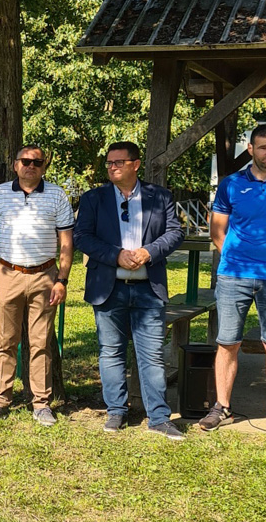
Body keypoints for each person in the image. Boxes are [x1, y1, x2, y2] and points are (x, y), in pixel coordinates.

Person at [200, 125, 266, 433]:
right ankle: (222, 407)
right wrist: (235, 258)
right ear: (250, 149)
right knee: (227, 342)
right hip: (233, 276)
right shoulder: (231, 184)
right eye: (263, 147)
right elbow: (217, 230)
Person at [74, 142, 184, 439]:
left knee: (152, 355)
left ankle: (159, 417)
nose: (112, 167)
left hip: (149, 288)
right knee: (111, 352)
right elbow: (81, 236)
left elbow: (175, 232)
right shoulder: (94, 198)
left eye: (118, 162)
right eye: (109, 163)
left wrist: (149, 252)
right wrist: (116, 255)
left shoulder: (159, 196)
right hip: (108, 288)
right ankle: (116, 412)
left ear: (136, 165)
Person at [0, 145, 75, 426]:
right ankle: (0, 400)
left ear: (44, 166)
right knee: (7, 342)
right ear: (15, 165)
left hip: (45, 276)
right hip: (7, 274)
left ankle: (41, 404)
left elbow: (66, 241)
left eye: (37, 162)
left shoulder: (57, 194)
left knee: (41, 343)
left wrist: (62, 280)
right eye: (25, 161)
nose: (31, 166)